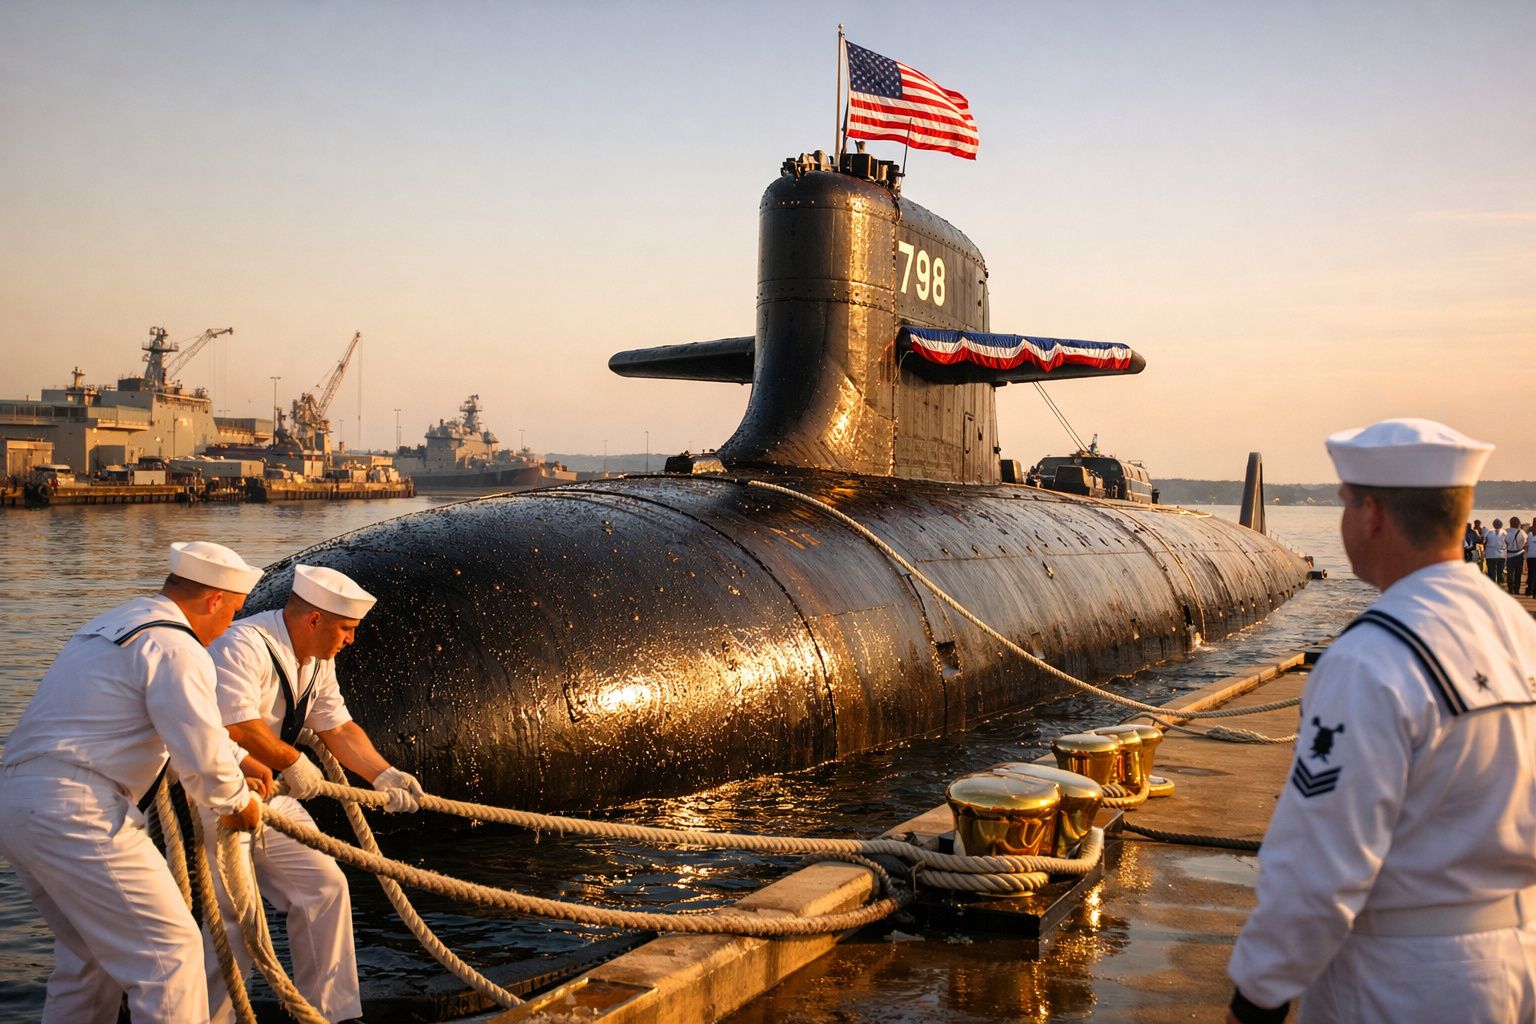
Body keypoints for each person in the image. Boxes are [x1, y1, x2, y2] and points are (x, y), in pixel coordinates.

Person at [1226, 419, 1536, 1023]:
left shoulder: (1370, 660)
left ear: (1371, 514)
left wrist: (1257, 997)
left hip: (1404, 982)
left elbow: (1318, 865)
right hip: (1519, 959)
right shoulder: (1519, 633)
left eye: (1345, 505)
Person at [0, 542, 269, 1024]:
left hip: (19, 803)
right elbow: (202, 758)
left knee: (87, 959)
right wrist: (237, 802)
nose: (227, 628)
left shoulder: (108, 629)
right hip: (81, 811)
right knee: (171, 957)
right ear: (212, 602)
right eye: (230, 614)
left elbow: (138, 719)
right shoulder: (178, 646)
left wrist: (241, 758)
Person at [201, 563, 425, 1024]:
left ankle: (332, 1016)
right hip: (222, 793)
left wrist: (384, 775)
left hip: (270, 794)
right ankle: (210, 1018)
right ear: (314, 619)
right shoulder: (242, 645)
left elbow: (337, 726)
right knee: (232, 922)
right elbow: (235, 724)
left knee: (324, 887)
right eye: (346, 628)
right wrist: (293, 761)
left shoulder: (319, 661)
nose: (350, 639)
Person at [1506, 516, 1528, 596]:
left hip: (1509, 555)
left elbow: (1505, 542)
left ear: (1510, 523)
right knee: (1518, 573)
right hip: (1519, 554)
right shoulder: (1522, 533)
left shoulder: (1507, 532)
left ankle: (1510, 589)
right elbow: (1526, 542)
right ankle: (1516, 589)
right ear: (1519, 523)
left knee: (1510, 573)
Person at [1483, 516, 1507, 583]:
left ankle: (1493, 584)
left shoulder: (1488, 532)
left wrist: (1484, 551)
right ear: (1501, 525)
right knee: (1500, 570)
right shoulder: (1504, 532)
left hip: (1490, 554)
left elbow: (1485, 542)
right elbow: (1507, 542)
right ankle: (1499, 582)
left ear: (1493, 525)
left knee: (1491, 571)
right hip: (1501, 555)